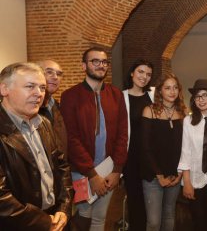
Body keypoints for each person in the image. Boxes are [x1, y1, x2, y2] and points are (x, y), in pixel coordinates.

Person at [60, 46, 128, 231]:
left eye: (104, 62)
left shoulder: (116, 95)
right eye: (95, 61)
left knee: (100, 219)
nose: (101, 65)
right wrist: (91, 174)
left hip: (109, 170)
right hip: (81, 172)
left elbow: (123, 134)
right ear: (84, 66)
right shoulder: (70, 96)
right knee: (84, 217)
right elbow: (71, 138)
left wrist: (117, 170)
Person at [0, 62, 73, 230]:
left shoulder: (44, 123)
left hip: (55, 217)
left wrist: (64, 208)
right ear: (4, 89)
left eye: (42, 87)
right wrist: (43, 222)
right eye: (30, 86)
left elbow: (62, 167)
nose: (38, 94)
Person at [140, 73, 186, 231]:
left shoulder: (182, 113)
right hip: (153, 175)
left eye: (175, 88)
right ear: (159, 91)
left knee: (169, 216)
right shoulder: (149, 111)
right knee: (153, 222)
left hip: (174, 174)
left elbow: (185, 147)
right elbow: (145, 147)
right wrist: (159, 175)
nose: (172, 91)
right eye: (167, 88)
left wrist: (180, 173)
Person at [178, 79, 207, 231]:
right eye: (198, 96)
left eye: (205, 95)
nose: (201, 100)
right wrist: (187, 183)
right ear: (193, 100)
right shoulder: (188, 121)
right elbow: (185, 152)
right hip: (194, 180)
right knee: (198, 222)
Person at [123, 59, 154, 231]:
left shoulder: (154, 95)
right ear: (132, 73)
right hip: (131, 159)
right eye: (141, 72)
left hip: (151, 157)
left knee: (153, 203)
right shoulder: (122, 96)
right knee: (135, 202)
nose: (144, 77)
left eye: (148, 74)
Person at [37, 59, 68, 157]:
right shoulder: (28, 109)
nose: (55, 77)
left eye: (59, 74)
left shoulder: (59, 107)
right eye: (49, 72)